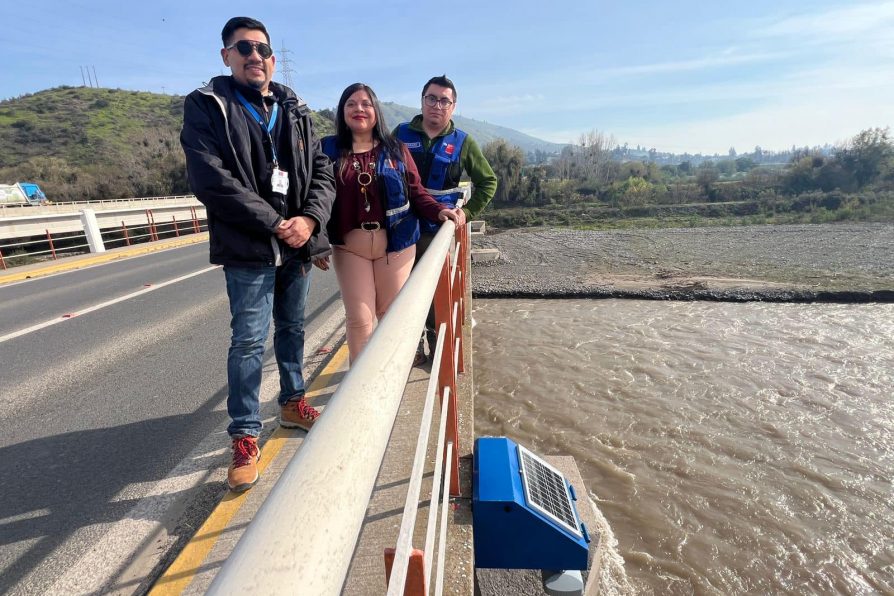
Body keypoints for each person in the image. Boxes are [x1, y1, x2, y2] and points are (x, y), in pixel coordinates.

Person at [180, 16, 335, 492]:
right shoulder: (208, 105)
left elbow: (322, 170)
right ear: (225, 55)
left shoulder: (293, 106)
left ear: (272, 58)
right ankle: (245, 436)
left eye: (263, 49)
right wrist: (274, 223)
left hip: (297, 245)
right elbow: (209, 178)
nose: (255, 56)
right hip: (250, 246)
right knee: (248, 342)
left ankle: (292, 403)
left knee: (291, 328)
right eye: (243, 47)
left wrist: (308, 222)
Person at [314, 83, 462, 363]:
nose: (359, 109)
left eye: (366, 104)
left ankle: (389, 378)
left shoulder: (395, 148)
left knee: (390, 316)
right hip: (349, 246)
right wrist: (315, 240)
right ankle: (359, 389)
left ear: (376, 112)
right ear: (342, 111)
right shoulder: (327, 149)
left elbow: (415, 190)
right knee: (360, 319)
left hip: (396, 244)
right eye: (351, 104)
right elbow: (314, 194)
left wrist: (439, 210)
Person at [394, 75, 497, 363]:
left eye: (444, 101)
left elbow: (488, 181)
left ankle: (436, 344)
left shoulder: (463, 142)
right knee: (402, 289)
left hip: (437, 230)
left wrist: (466, 213)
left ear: (453, 107)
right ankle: (411, 347)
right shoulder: (400, 135)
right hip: (402, 226)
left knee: (436, 290)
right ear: (422, 101)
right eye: (431, 98)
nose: (437, 105)